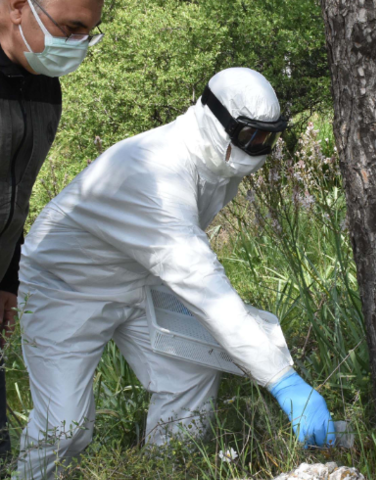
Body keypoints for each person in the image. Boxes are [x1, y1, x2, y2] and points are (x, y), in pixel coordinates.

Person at [13, 67, 334, 480]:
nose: (258, 148)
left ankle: (165, 470)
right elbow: (206, 289)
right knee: (65, 425)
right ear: (216, 119)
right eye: (251, 135)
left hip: (140, 278)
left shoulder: (217, 163)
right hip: (67, 286)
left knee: (191, 371)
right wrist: (283, 381)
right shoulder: (155, 174)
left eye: (267, 138)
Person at [0, 0, 103, 474]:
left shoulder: (44, 87)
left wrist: (7, 277)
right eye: (71, 28)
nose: (78, 44)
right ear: (19, 7)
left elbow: (17, 192)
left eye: (88, 33)